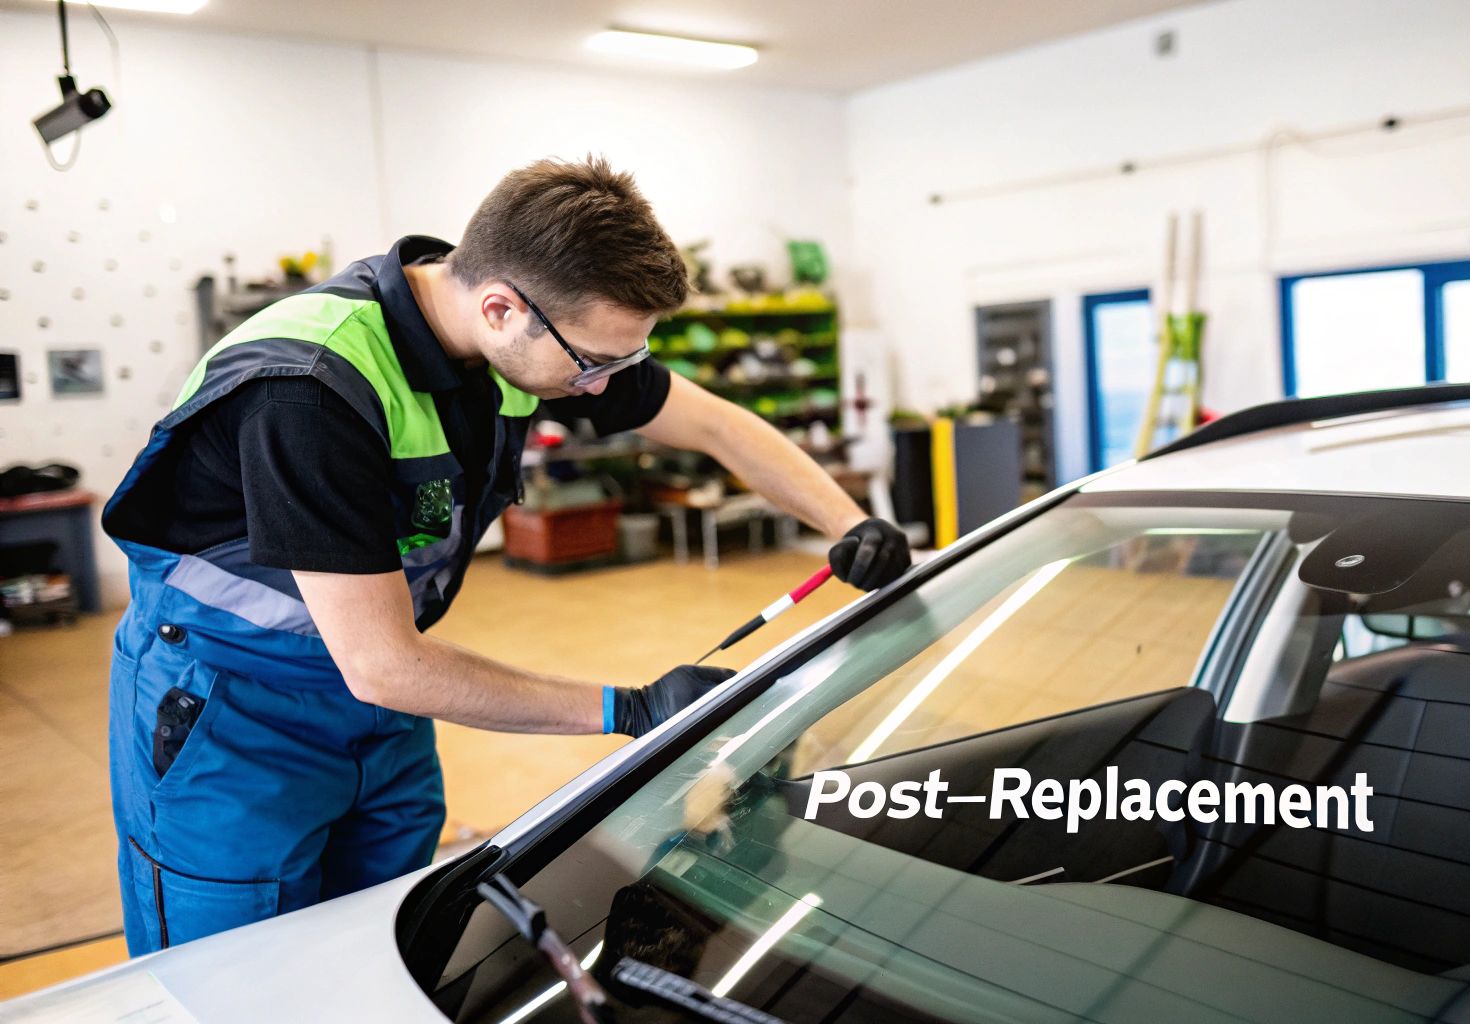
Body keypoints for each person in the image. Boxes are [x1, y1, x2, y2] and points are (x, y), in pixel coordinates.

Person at [99, 156, 910, 954]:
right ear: (499, 308)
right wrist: (630, 709)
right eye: (594, 364)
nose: (604, 387)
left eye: (623, 362)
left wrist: (849, 523)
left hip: (383, 712)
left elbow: (714, 424)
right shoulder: (308, 390)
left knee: (380, 943)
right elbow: (383, 664)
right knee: (236, 973)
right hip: (231, 714)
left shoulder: (529, 335)